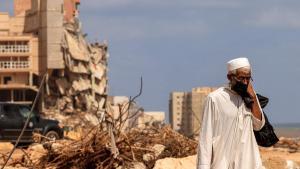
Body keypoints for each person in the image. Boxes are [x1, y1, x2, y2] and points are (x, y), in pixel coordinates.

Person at [196, 57, 265, 169]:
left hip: (248, 162)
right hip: (222, 161)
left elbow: (258, 126)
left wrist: (252, 96)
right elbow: (206, 136)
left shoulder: (250, 96)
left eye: (248, 78)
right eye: (241, 78)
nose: (245, 82)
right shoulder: (215, 99)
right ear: (229, 77)